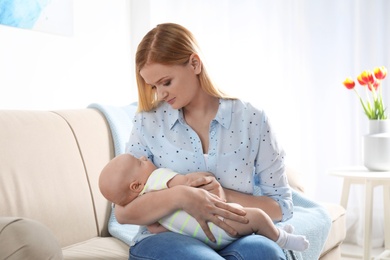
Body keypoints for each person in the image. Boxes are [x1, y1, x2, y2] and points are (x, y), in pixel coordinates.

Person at [113, 22, 295, 259]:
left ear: (194, 64)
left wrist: (222, 196)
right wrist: (182, 195)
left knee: (266, 253)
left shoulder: (252, 119)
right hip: (169, 238)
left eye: (166, 82)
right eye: (153, 86)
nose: (161, 94)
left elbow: (281, 205)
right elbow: (123, 211)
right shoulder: (148, 123)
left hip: (236, 235)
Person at [99, 154, 309, 251]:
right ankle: (281, 238)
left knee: (257, 238)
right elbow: (189, 181)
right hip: (218, 223)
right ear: (135, 186)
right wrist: (203, 180)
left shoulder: (149, 209)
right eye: (139, 161)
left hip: (203, 236)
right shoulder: (158, 178)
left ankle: (274, 233)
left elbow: (155, 228)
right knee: (258, 217)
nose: (144, 157)